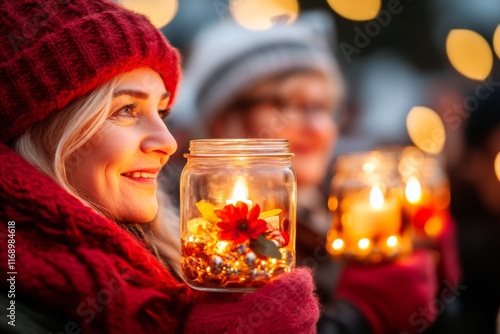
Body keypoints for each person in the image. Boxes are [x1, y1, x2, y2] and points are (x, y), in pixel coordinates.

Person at [0, 1, 320, 333]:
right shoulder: (15, 297)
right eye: (126, 110)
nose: (167, 143)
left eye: (162, 112)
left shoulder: (167, 260)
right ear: (44, 128)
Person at [173, 12, 448, 334]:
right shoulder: (193, 243)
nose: (315, 126)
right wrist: (357, 316)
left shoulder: (341, 222)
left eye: (324, 108)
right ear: (222, 118)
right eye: (285, 104)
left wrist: (442, 292)